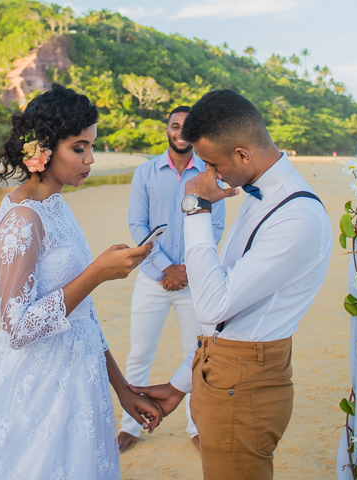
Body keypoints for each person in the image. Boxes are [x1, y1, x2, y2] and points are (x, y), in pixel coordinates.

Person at [0, 84, 161, 480]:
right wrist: (96, 273)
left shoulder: (56, 205)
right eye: (79, 148)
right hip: (38, 387)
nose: (90, 159)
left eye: (91, 147)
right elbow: (16, 326)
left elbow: (85, 314)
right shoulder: (22, 220)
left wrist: (122, 388)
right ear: (42, 148)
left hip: (81, 379)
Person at [134, 89, 333, 480]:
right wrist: (181, 384)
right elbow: (226, 315)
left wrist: (195, 209)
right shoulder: (258, 194)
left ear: (242, 154)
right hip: (219, 368)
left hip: (245, 385)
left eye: (210, 163)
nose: (206, 174)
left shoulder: (296, 218)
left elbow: (212, 305)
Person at [118, 106, 227, 453]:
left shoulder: (211, 175)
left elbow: (216, 226)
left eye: (185, 126)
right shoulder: (146, 172)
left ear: (195, 131)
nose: (179, 131)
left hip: (193, 283)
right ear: (167, 129)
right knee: (139, 354)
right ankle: (130, 426)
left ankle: (196, 427)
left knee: (194, 356)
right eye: (174, 125)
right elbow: (138, 225)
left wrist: (186, 270)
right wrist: (166, 268)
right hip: (152, 279)